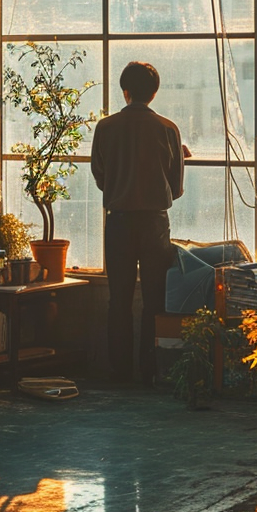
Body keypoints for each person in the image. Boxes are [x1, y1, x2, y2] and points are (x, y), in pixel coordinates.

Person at [90, 61, 186, 385]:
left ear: (125, 91)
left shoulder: (105, 127)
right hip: (154, 223)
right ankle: (150, 370)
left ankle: (119, 371)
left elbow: (101, 177)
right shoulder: (169, 129)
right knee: (154, 298)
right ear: (154, 92)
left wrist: (122, 186)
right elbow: (176, 188)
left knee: (119, 299)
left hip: (118, 221)